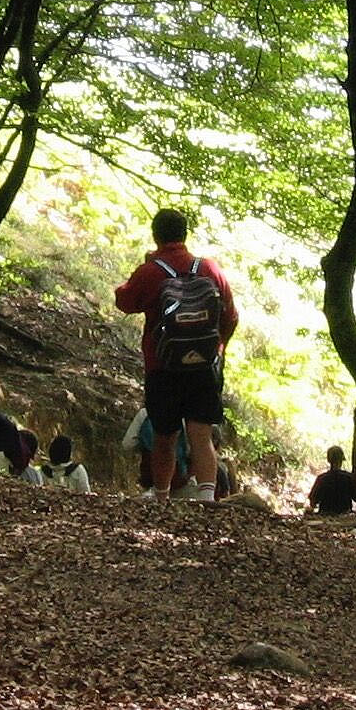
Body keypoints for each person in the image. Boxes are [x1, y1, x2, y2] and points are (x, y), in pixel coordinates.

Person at [114, 208, 238, 503]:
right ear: (185, 235)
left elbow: (124, 301)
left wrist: (143, 268)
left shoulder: (151, 271)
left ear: (155, 235)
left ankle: (162, 498)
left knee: (165, 436)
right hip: (203, 366)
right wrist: (218, 348)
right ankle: (207, 499)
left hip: (163, 366)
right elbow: (231, 316)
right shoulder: (209, 268)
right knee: (201, 435)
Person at [307, 446, 356, 516]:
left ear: (329, 460)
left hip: (324, 516)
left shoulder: (322, 479)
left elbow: (313, 502)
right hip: (345, 516)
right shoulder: (349, 478)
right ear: (341, 460)